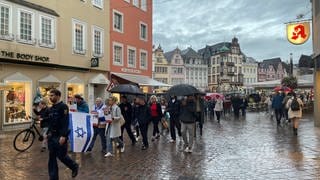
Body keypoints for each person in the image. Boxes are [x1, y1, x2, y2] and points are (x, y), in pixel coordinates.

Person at [47, 89, 79, 179]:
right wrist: (48, 133)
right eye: (50, 95)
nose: (50, 97)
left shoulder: (63, 107)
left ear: (58, 96)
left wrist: (64, 136)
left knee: (61, 156)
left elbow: (65, 122)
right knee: (52, 158)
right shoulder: (51, 108)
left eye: (52, 95)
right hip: (52, 136)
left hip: (60, 136)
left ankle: (74, 166)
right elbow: (50, 122)